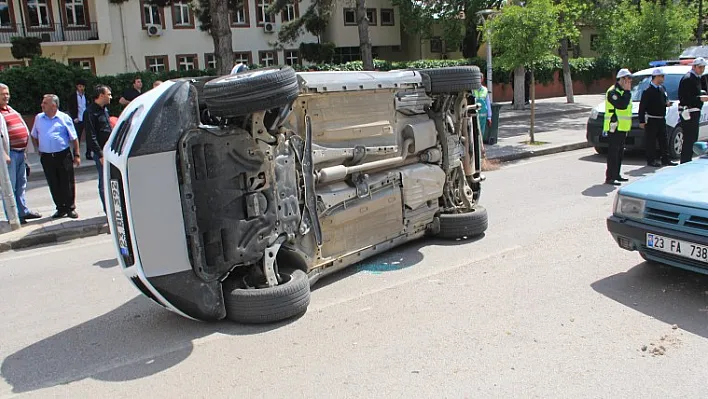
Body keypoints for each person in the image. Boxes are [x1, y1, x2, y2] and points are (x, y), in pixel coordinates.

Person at [30, 94, 81, 219]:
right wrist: (40, 148)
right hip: (47, 157)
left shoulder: (64, 118)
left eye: (45, 103)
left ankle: (70, 207)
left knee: (67, 182)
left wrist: (77, 155)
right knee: (53, 182)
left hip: (63, 155)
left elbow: (74, 138)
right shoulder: (39, 118)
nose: (42, 105)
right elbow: (34, 135)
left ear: (53, 105)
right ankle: (60, 208)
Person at [0, 83, 41, 224]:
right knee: (9, 186)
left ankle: (22, 211)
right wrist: (3, 154)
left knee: (21, 184)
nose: (6, 96)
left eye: (7, 93)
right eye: (3, 94)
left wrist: (24, 150)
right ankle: (13, 216)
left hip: (19, 153)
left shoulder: (10, 109)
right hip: (8, 155)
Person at [638, 68, 677, 167]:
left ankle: (665, 159)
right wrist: (641, 120)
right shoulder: (648, 91)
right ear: (656, 77)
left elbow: (664, 100)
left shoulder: (662, 88)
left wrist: (667, 104)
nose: (663, 78)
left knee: (663, 140)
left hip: (661, 118)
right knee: (651, 141)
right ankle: (651, 160)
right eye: (662, 76)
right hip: (652, 119)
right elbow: (642, 107)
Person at [84, 85, 112, 213]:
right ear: (101, 95)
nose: (110, 97)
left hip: (110, 150)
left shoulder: (104, 110)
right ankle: (108, 211)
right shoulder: (90, 112)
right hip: (102, 153)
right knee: (104, 183)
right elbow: (91, 136)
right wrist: (100, 154)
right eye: (108, 94)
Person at [604, 68, 633, 186]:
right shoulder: (613, 92)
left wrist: (626, 92)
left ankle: (617, 174)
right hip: (614, 127)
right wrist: (627, 92)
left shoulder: (624, 91)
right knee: (613, 153)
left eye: (630, 79)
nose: (629, 81)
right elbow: (621, 105)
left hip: (623, 127)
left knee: (620, 152)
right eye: (627, 79)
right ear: (621, 79)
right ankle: (610, 177)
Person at [677, 57, 708, 164]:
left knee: (693, 138)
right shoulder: (688, 78)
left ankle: (688, 160)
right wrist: (699, 98)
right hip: (688, 112)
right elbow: (684, 98)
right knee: (689, 138)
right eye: (700, 67)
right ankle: (685, 161)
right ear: (694, 66)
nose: (702, 69)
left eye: (703, 67)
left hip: (694, 111)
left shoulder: (697, 78)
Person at [67, 78, 91, 160]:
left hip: (86, 118)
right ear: (77, 86)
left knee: (89, 137)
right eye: (80, 86)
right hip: (78, 119)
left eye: (83, 86)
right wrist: (74, 117)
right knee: (77, 137)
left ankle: (88, 153)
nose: (81, 88)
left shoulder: (86, 95)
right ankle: (75, 154)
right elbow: (70, 107)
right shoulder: (73, 96)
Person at [471, 74, 493, 139]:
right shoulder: (472, 90)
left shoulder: (485, 90)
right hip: (474, 115)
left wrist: (489, 117)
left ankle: (481, 146)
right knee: (474, 132)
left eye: (480, 79)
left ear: (482, 79)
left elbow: (488, 103)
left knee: (481, 132)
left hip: (483, 115)